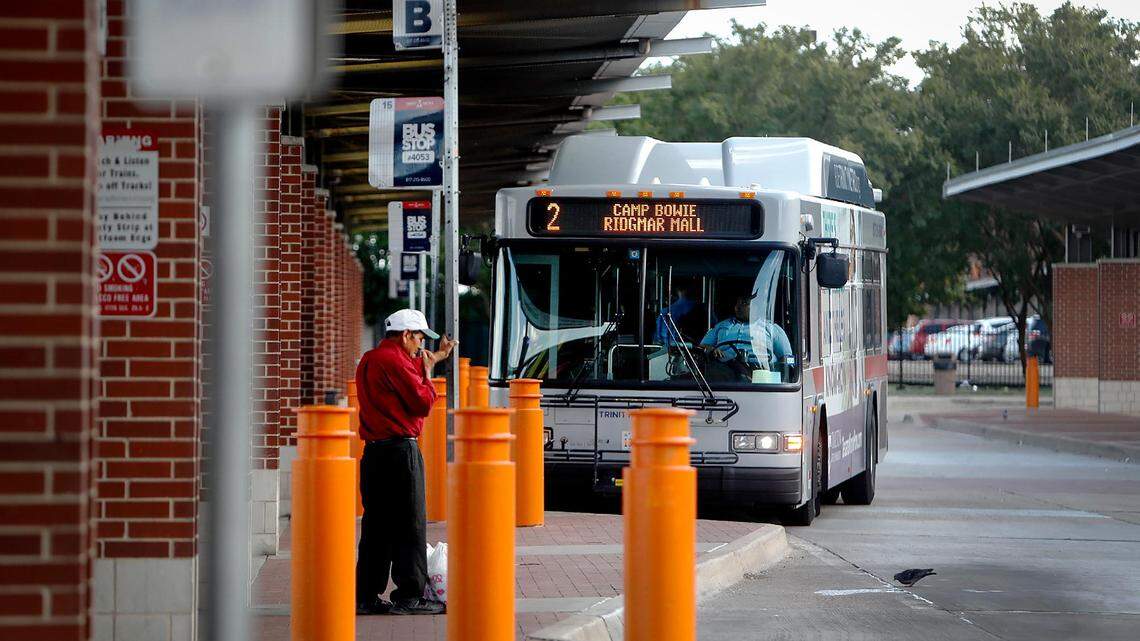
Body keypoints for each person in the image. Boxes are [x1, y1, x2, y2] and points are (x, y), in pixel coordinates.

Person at [354, 309, 456, 616]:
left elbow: (407, 372)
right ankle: (410, 595)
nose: (420, 344)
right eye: (419, 337)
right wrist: (427, 373)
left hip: (373, 453)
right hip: (401, 452)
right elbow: (424, 403)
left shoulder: (371, 359)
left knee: (376, 528)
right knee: (410, 525)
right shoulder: (396, 362)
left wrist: (434, 358)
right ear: (405, 335)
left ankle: (366, 595)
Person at [699, 295, 792, 380]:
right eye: (737, 304)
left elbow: (786, 358)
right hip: (723, 370)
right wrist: (711, 349)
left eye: (744, 303)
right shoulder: (721, 325)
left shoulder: (771, 328)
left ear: (757, 307)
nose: (737, 307)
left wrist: (783, 380)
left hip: (760, 374)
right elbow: (701, 347)